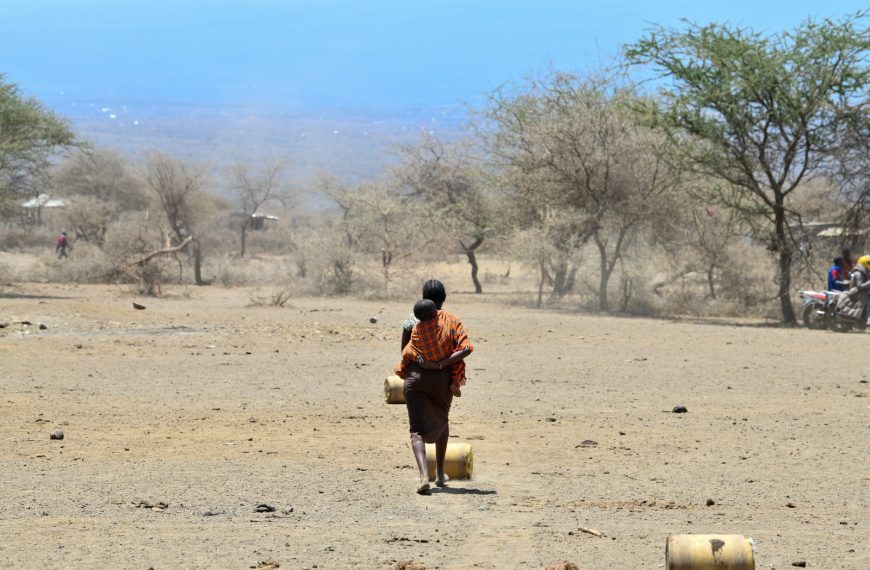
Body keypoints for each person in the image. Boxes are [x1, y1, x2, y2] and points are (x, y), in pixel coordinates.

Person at [398, 279, 473, 495]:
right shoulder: (450, 320)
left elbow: (404, 351)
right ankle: (440, 473)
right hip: (442, 380)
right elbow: (465, 347)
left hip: (415, 379)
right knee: (442, 419)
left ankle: (424, 476)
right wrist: (441, 364)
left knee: (416, 431)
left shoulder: (412, 320)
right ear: (443, 298)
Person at [396, 299, 472, 399]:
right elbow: (467, 349)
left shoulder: (416, 330)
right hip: (444, 361)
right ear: (433, 313)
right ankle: (455, 383)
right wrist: (440, 364)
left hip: (423, 363)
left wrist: (416, 357)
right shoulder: (444, 324)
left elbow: (407, 351)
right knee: (458, 362)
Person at [834, 255, 870, 325]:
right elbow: (860, 286)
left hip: (860, 292)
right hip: (856, 294)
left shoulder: (864, 272)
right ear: (864, 263)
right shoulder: (858, 273)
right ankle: (868, 321)